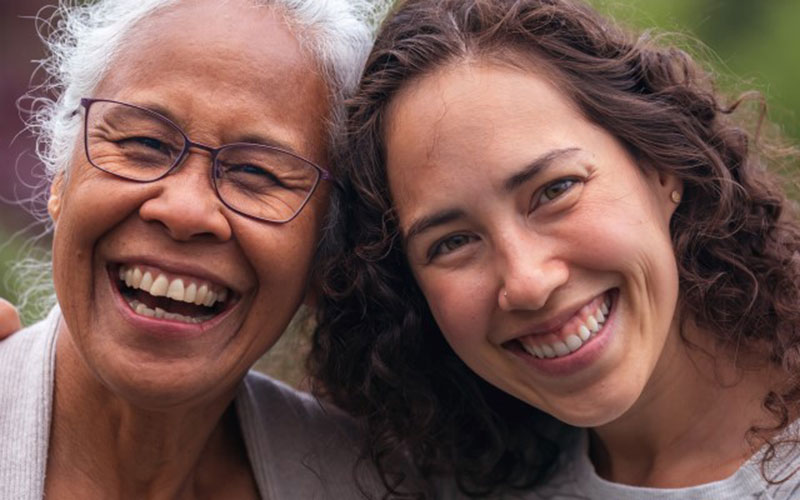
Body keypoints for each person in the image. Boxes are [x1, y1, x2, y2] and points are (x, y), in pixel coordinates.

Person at [309, 0, 800, 498]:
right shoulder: (452, 482)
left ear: (660, 164)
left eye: (554, 191)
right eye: (453, 243)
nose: (528, 282)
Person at [0, 0, 425, 498]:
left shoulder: (369, 484)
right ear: (61, 180)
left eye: (256, 173)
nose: (184, 212)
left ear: (323, 257)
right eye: (144, 143)